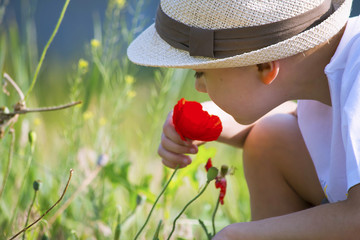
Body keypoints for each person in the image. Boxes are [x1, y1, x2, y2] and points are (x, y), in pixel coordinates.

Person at [127, 0, 360, 238]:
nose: (198, 86)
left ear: (264, 65)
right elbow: (316, 125)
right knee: (270, 138)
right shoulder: (328, 67)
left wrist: (239, 236)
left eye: (200, 73)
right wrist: (210, 121)